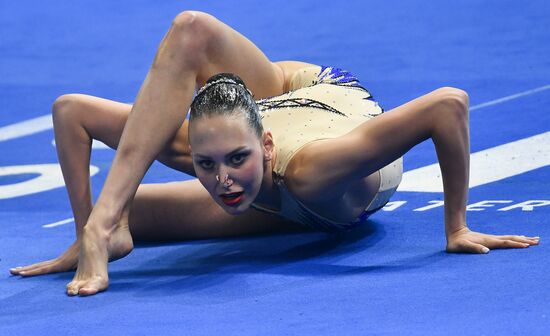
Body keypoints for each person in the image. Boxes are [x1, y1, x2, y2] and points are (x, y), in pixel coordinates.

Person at [9, 11, 539, 296]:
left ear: (263, 146)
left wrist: (457, 227)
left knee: (192, 28)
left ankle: (102, 226)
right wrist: (87, 229)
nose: (223, 182)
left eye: (237, 160)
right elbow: (69, 111)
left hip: (313, 98)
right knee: (132, 209)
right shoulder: (189, 149)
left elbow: (447, 105)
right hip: (263, 149)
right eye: (206, 167)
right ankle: (103, 229)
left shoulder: (312, 170)